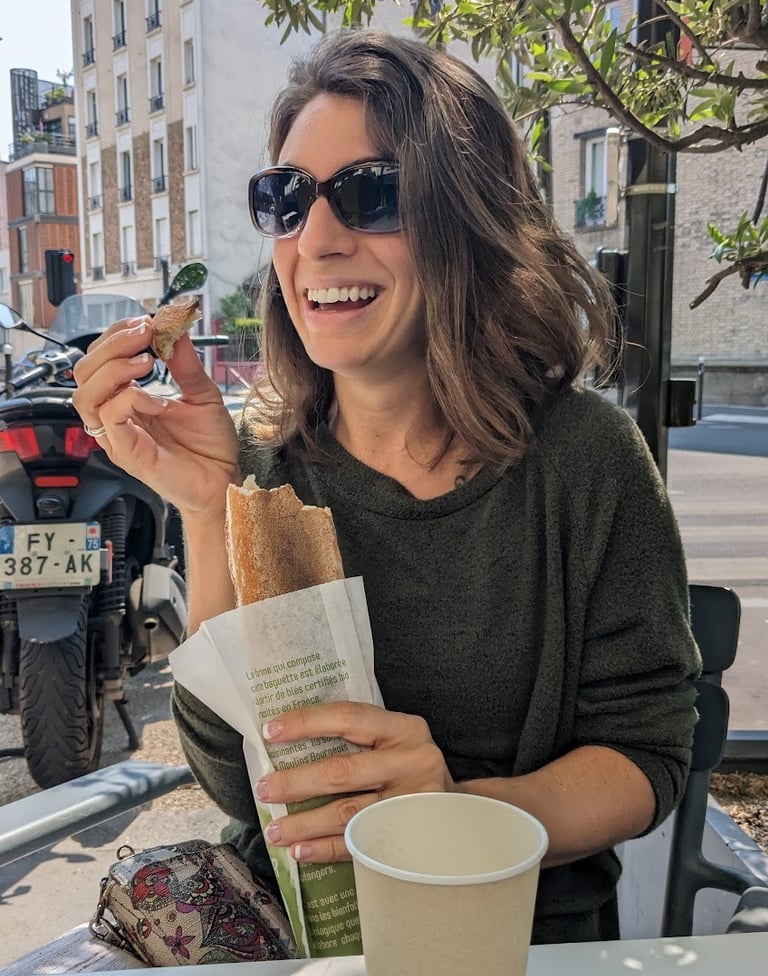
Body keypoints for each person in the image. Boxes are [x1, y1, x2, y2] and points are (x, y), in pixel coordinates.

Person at [72, 28, 700, 946]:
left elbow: (648, 752)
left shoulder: (584, 461)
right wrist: (209, 509)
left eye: (371, 195)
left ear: (470, 220)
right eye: (285, 200)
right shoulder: (265, 459)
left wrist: (452, 811)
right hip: (291, 936)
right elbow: (238, 779)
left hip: (515, 938)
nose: (315, 241)